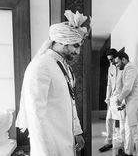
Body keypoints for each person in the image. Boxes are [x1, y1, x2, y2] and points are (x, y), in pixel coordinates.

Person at [15, 10, 90, 156]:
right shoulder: (41, 66)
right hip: (50, 146)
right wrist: (45, 152)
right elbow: (35, 115)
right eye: (75, 46)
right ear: (62, 41)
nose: (78, 52)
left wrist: (77, 131)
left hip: (66, 140)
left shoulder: (64, 67)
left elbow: (71, 101)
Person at [114, 51, 138, 156]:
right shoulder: (127, 68)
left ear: (124, 59)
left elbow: (128, 87)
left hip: (136, 105)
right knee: (130, 130)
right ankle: (128, 152)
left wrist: (119, 99)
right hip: (132, 104)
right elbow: (132, 89)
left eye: (117, 62)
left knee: (137, 133)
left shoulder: (131, 68)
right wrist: (124, 104)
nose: (116, 65)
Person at [99, 48, 125, 152]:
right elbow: (109, 84)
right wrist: (107, 97)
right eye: (108, 60)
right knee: (108, 119)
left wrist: (123, 99)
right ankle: (109, 142)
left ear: (116, 57)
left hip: (121, 98)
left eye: (111, 59)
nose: (110, 62)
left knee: (122, 122)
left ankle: (123, 145)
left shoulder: (123, 67)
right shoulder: (110, 68)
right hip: (112, 98)